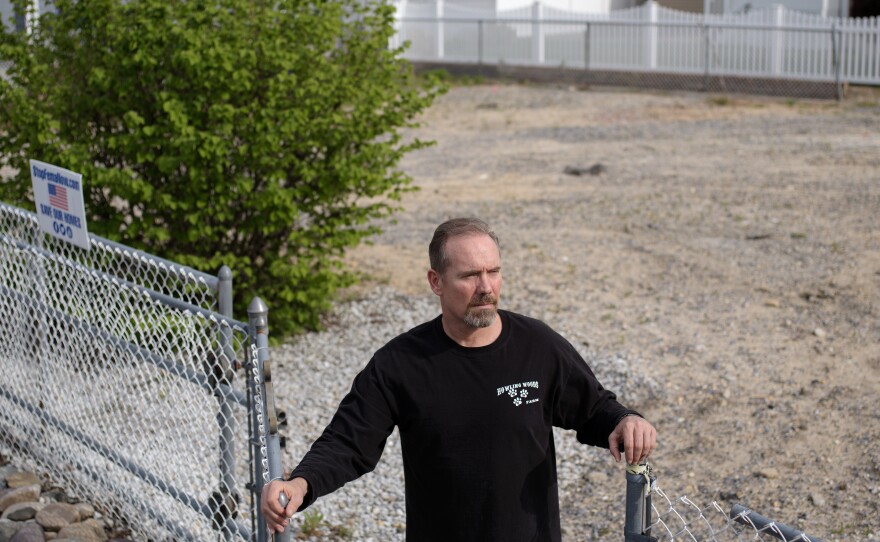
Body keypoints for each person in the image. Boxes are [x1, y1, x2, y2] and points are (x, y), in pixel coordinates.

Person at [261, 217, 657, 541]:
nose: (486, 288)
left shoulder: (538, 346)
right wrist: (301, 484)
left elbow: (593, 408)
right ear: (436, 282)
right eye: (470, 275)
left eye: (494, 272)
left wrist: (626, 420)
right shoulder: (401, 363)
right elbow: (348, 442)